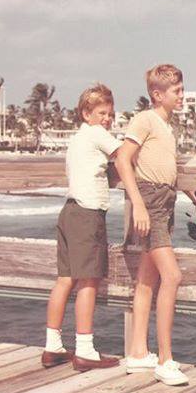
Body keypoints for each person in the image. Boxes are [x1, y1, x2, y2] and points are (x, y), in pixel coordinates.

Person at [115, 64, 196, 385]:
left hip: (165, 200)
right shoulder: (145, 119)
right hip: (151, 202)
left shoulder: (167, 126)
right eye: (177, 91)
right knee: (172, 276)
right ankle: (166, 359)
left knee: (147, 278)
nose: (182, 96)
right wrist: (139, 204)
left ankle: (139, 353)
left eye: (182, 90)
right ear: (158, 94)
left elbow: (170, 168)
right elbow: (122, 159)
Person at [42, 84, 122, 372]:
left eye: (110, 114)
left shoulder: (76, 139)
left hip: (69, 211)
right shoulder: (98, 134)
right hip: (87, 214)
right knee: (89, 280)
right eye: (102, 113)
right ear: (86, 113)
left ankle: (52, 346)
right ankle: (85, 350)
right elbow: (125, 155)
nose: (107, 119)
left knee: (65, 279)